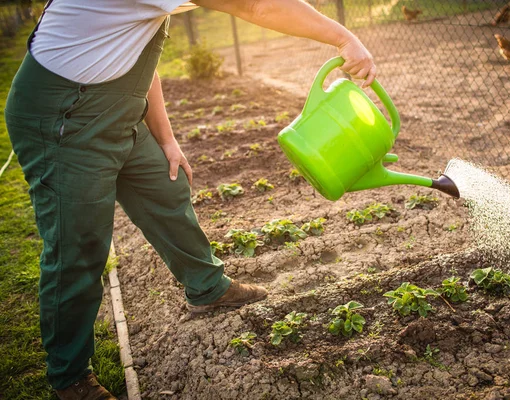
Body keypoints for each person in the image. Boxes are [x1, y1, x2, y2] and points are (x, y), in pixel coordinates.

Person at [4, 0, 377, 398]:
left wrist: (165, 139)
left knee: (164, 187)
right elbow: (259, 6)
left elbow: (136, 54)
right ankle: (70, 376)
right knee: (77, 246)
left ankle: (207, 286)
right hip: (65, 118)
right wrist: (345, 38)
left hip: (114, 109)